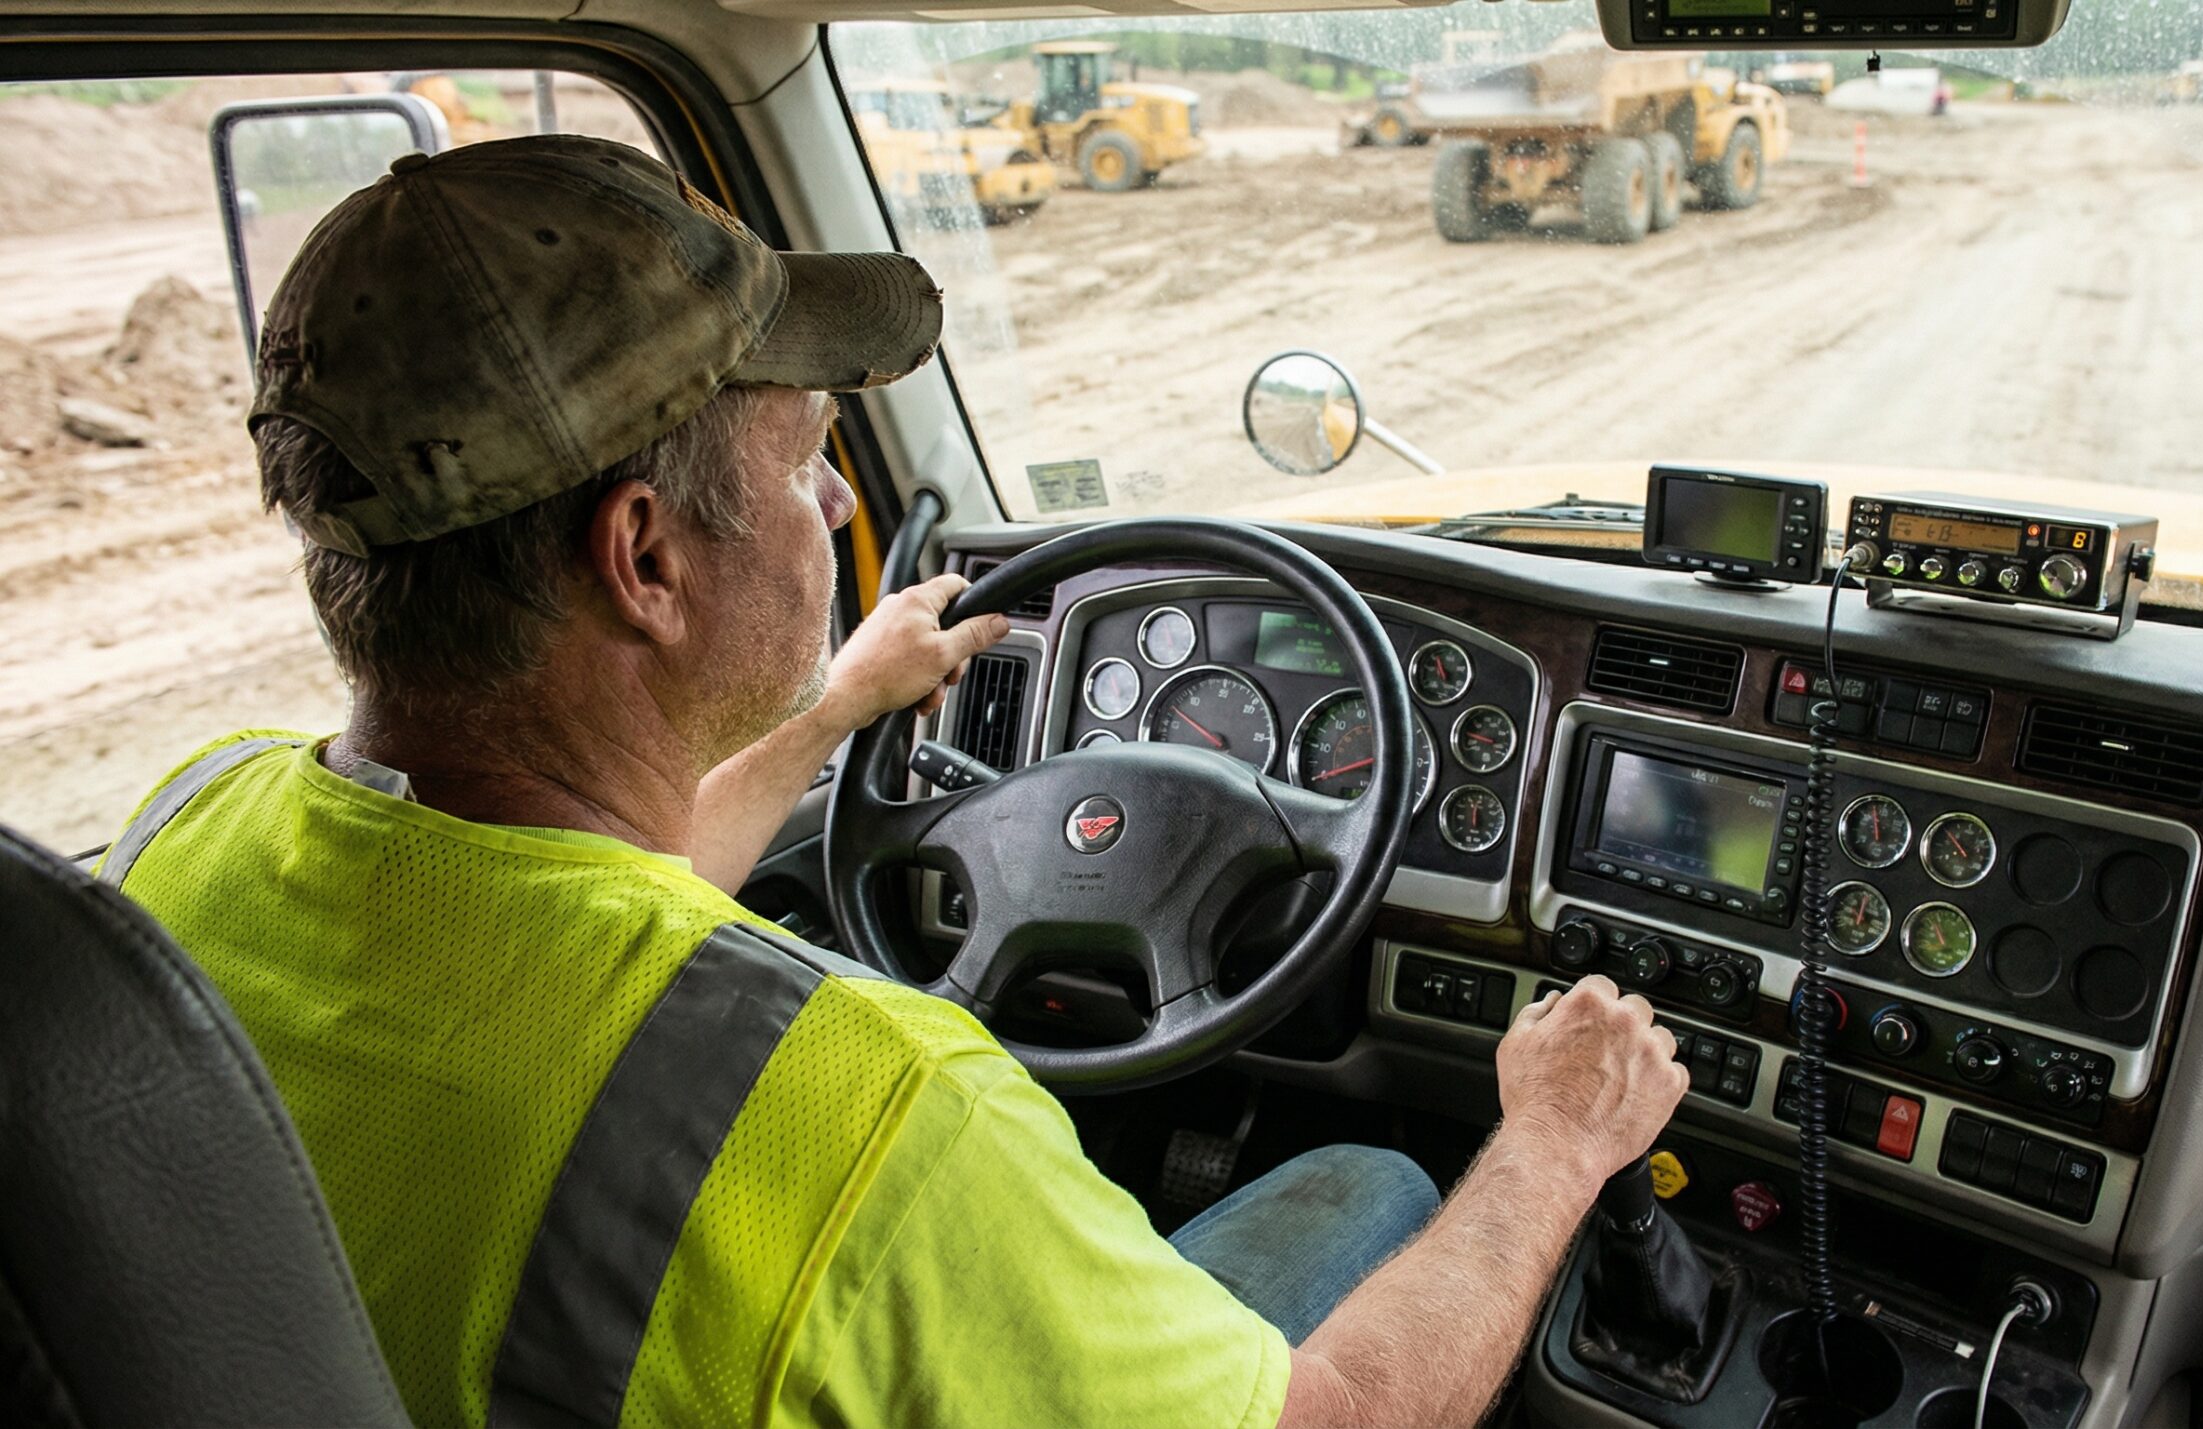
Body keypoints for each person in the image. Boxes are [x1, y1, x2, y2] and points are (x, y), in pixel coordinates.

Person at [100, 134, 1689, 1428]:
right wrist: (1559, 1133)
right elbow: (1334, 1417)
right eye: (803, 465)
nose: (836, 500)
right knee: (1377, 1178)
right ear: (645, 557)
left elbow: (590, 918)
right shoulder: (856, 1109)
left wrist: (827, 716)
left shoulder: (189, 828)